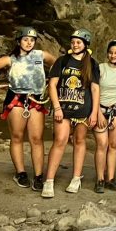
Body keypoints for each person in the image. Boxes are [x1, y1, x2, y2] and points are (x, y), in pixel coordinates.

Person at [0, 25, 57, 191]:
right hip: (16, 99)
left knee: (36, 138)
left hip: (36, 99)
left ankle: (38, 176)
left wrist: (52, 80)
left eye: (32, 40)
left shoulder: (41, 55)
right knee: (17, 136)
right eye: (25, 39)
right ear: (19, 41)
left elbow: (57, 65)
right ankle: (21, 173)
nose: (29, 43)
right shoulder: (11, 59)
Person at [40, 28, 100, 198]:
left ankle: (76, 178)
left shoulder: (92, 64)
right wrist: (57, 107)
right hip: (64, 109)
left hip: (83, 109)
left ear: (85, 44)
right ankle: (49, 180)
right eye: (73, 42)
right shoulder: (62, 61)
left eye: (78, 42)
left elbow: (95, 89)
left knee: (80, 141)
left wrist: (94, 112)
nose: (75, 45)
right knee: (60, 140)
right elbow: (52, 85)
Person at [95, 38, 116, 192]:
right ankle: (100, 179)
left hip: (115, 111)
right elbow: (93, 91)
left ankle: (110, 178)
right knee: (102, 144)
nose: (113, 55)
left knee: (113, 145)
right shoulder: (100, 68)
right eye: (110, 52)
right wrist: (97, 113)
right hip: (100, 110)